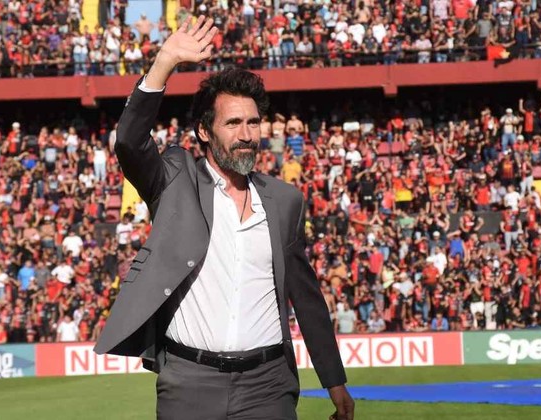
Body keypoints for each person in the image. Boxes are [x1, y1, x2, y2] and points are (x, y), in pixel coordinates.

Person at [94, 16, 354, 420]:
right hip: (189, 383)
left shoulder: (285, 201)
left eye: (253, 122)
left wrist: (335, 382)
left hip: (268, 386)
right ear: (204, 131)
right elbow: (129, 142)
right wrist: (164, 62)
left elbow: (306, 297)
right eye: (233, 123)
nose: (246, 134)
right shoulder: (175, 180)